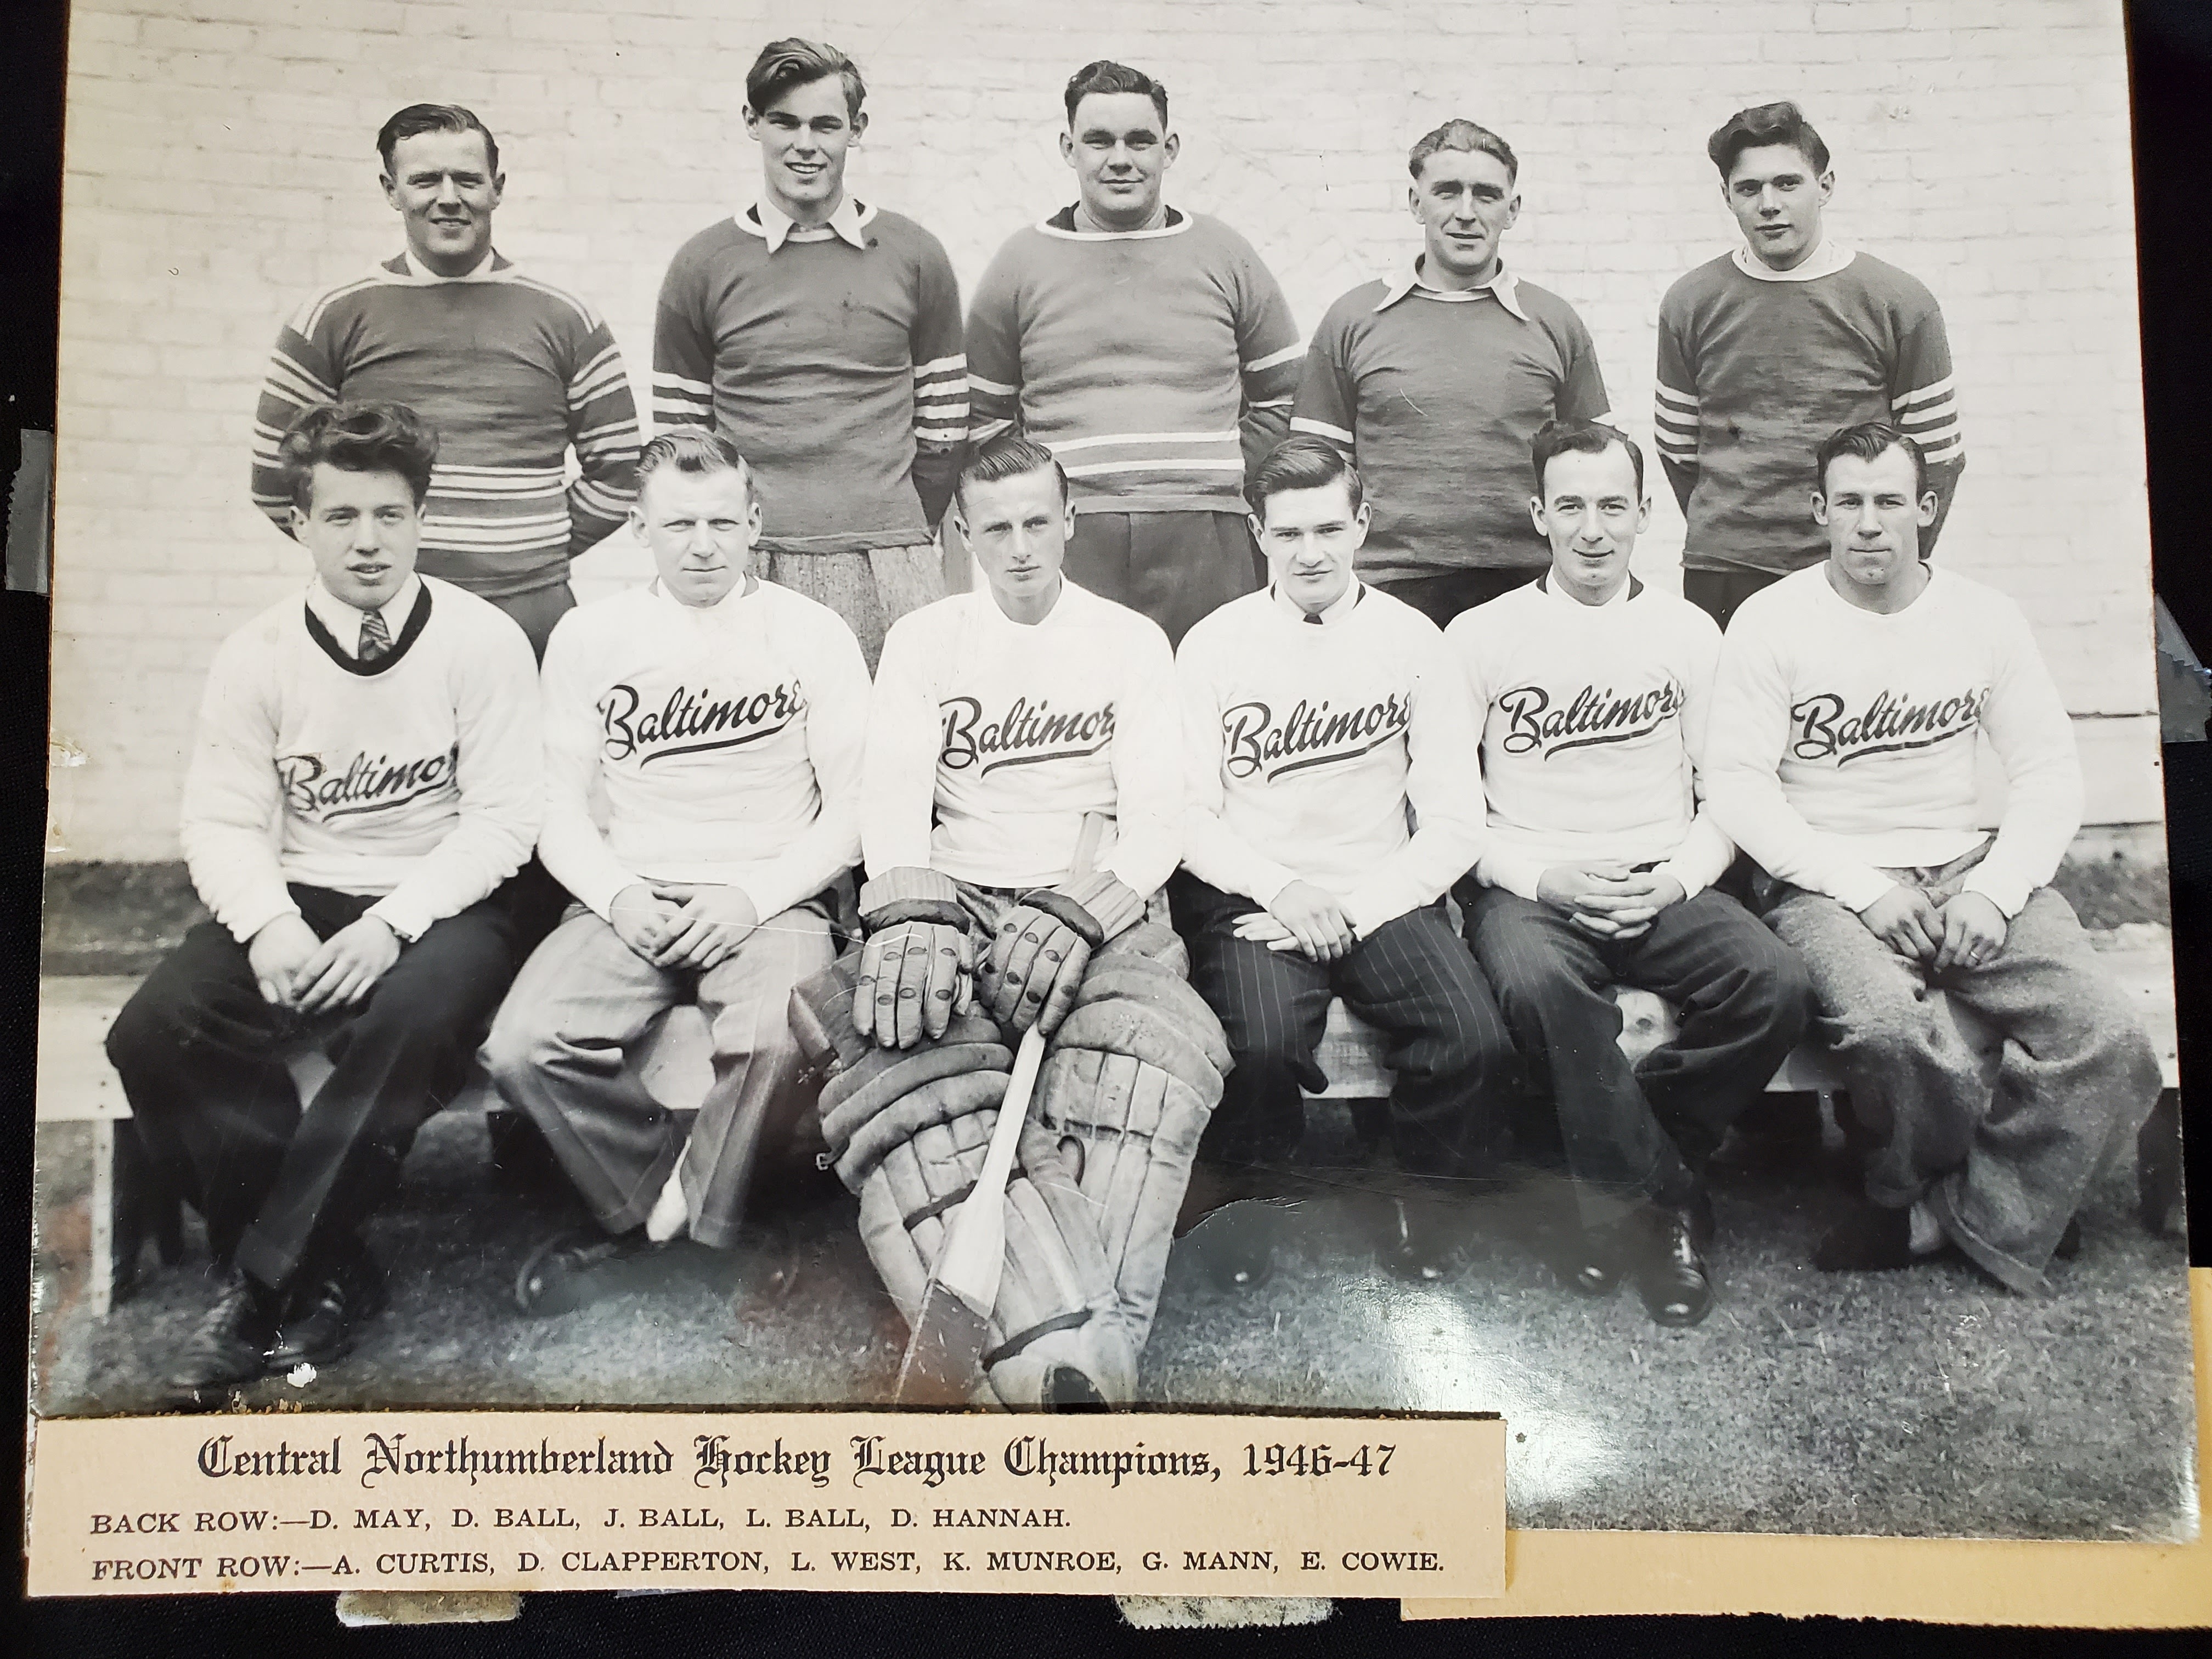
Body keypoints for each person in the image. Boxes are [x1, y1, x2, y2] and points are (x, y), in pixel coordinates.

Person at [106, 402, 541, 1402]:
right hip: (304, 890)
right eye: (341, 516)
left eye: (391, 515)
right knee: (154, 1028)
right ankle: (324, 1263)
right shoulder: (257, 652)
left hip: (447, 896)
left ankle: (261, 1285)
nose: (368, 540)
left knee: (412, 1017)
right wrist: (269, 923)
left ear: (421, 518)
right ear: (299, 525)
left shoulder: (480, 639)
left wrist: (393, 924)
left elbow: (506, 820)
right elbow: (220, 818)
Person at [1704, 422, 2160, 1293]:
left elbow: (2049, 773)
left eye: (1888, 502)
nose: (1870, 524)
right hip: (1827, 884)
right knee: (1888, 1030)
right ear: (1819, 512)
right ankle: (1983, 1197)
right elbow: (1738, 786)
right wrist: (1861, 889)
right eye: (1849, 504)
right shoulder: (1772, 621)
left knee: (2109, 1031)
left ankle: (1929, 1213)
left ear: (1925, 507)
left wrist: (1992, 892)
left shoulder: (1985, 617)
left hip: (1967, 870)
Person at [815, 435, 1220, 1408]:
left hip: (1093, 891)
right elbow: (895, 797)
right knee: (917, 1096)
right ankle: (1027, 1355)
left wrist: (1086, 909)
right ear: (963, 534)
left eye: (1039, 521)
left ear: (1070, 519)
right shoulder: (925, 637)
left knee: (1132, 1079)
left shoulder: (1128, 639)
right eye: (997, 527)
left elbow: (1162, 816)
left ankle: (1080, 1361)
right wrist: (908, 897)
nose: (1022, 546)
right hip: (956, 898)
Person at [481, 430, 871, 1313]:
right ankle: (674, 1207)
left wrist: (752, 896)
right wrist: (618, 896)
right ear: (638, 528)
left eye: (723, 523)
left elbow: (854, 808)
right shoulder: (593, 635)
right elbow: (554, 801)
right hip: (632, 896)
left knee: (780, 1038)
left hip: (771, 895)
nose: (703, 544)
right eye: (680, 524)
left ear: (754, 522)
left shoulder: (811, 632)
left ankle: (654, 1231)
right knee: (523, 1043)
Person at [1444, 420, 1809, 1326]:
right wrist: (1542, 880)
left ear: (1646, 513)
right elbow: (1451, 814)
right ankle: (1666, 1204)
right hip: (1532, 880)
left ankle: (1602, 1172)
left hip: (1659, 870)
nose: (1592, 529)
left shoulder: (1687, 632)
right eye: (1570, 505)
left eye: (1613, 505)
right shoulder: (1481, 635)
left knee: (1775, 982)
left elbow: (1729, 793)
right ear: (1538, 513)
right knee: (1538, 993)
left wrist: (1677, 879)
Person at [1175, 436, 1511, 1284]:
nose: (1311, 552)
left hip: (1381, 887)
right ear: (1258, 534)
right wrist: (1283, 889)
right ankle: (1248, 1205)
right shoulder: (1215, 644)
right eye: (1288, 534)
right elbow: (1185, 814)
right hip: (1259, 890)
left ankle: (1419, 1194)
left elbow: (1454, 822)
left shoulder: (1412, 639)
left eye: (1329, 528)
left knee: (1471, 1038)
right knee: (1255, 1047)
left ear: (1363, 523)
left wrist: (1356, 909)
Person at [251, 104, 641, 661]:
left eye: (467, 179)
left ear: (498, 188)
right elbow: (274, 478)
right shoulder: (332, 316)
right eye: (425, 180)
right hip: (385, 613)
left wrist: (534, 551)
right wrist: (372, 557)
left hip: (529, 613)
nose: (449, 197)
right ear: (391, 190)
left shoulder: (566, 317)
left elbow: (622, 469)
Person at [652, 38, 966, 670]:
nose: (805, 144)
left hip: (890, 557)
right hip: (751, 562)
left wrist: (891, 520)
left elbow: (946, 425)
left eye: (826, 125)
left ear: (857, 130)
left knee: (896, 749)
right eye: (784, 122)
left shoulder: (914, 254)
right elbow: (681, 442)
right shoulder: (702, 264)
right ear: (753, 124)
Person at [964, 60, 1301, 646]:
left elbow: (1287, 395)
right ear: (1069, 148)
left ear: (1169, 148)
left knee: (1208, 705)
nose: (1120, 158)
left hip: (1207, 531)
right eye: (1099, 140)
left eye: (1139, 140)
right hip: (1071, 533)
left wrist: (1216, 466)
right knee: (1075, 709)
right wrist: (1046, 492)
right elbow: (985, 417)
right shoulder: (1019, 263)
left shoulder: (1224, 252)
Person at [1655, 101, 1964, 631]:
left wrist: (1890, 556)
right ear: (1726, 196)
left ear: (1825, 185)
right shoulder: (1691, 302)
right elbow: (1679, 448)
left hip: (1854, 567)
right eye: (1749, 189)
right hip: (1726, 573)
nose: (1769, 204)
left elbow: (1936, 455)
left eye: (1787, 183)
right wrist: (1736, 534)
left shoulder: (1898, 301)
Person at [1293, 120, 1611, 628]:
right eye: (1448, 192)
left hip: (1529, 582)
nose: (1466, 213)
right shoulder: (1352, 320)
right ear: (1417, 203)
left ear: (1513, 210)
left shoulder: (1554, 322)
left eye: (1486, 195)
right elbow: (1315, 475)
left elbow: (1598, 467)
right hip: (1389, 585)